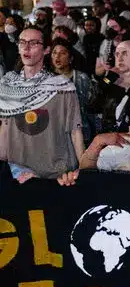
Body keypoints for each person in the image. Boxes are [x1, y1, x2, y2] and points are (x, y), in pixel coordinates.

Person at [0, 26, 84, 179]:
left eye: (33, 43)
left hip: (57, 174)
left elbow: (75, 131)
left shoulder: (61, 86)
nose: (26, 47)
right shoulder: (7, 85)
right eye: (22, 42)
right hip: (19, 173)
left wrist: (85, 171)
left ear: (46, 50)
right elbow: (5, 129)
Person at [50, 38, 97, 144]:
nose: (57, 57)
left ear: (70, 58)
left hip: (80, 131)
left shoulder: (82, 78)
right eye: (54, 53)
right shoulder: (45, 79)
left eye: (63, 53)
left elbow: (90, 104)